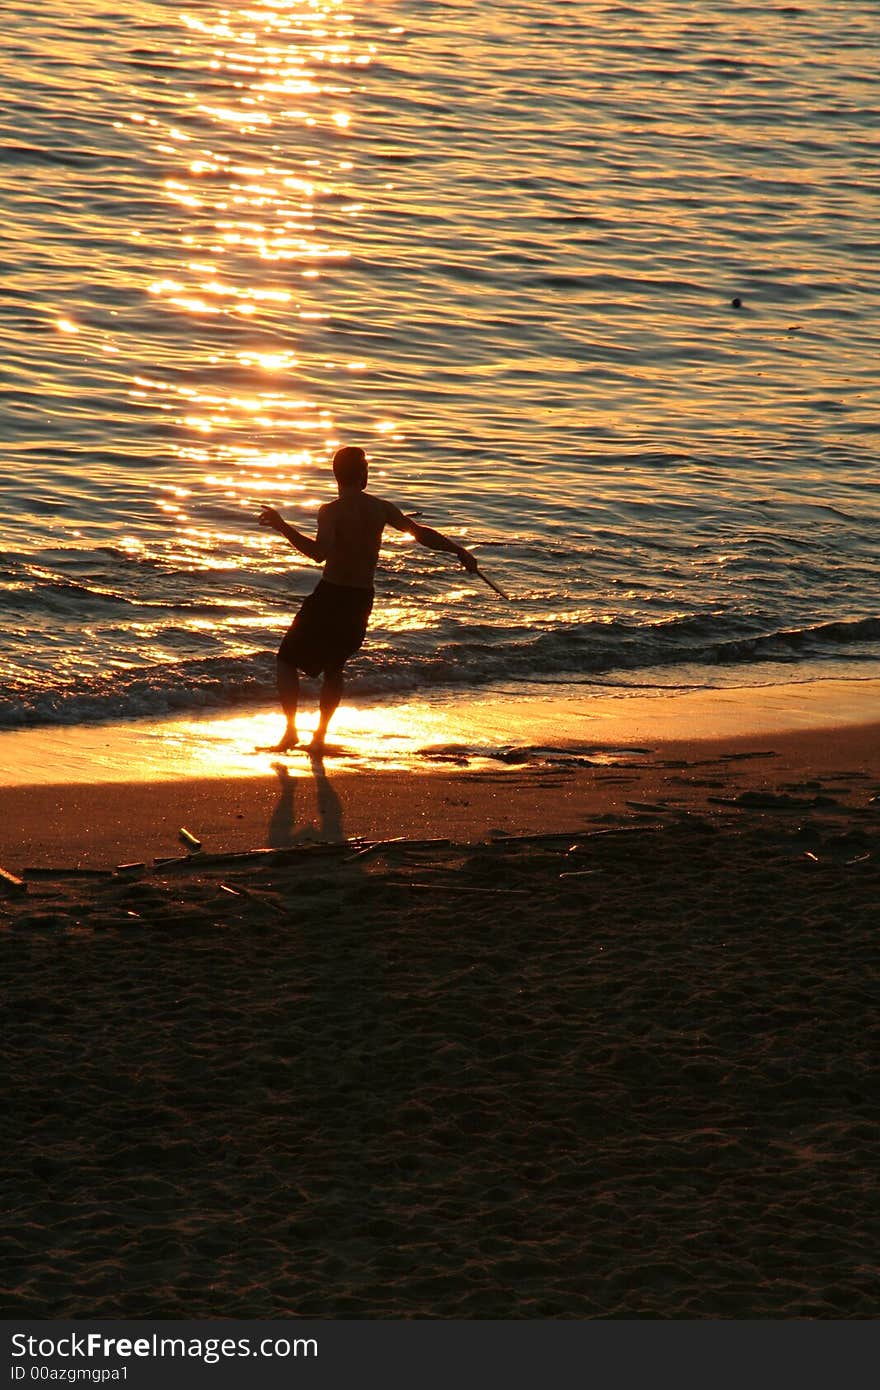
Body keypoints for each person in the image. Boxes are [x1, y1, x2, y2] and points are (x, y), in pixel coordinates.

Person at [257, 445, 478, 752]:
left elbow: (318, 554)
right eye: (366, 470)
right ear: (362, 476)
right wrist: (459, 550)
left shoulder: (330, 512)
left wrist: (282, 526)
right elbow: (419, 533)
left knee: (286, 660)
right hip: (361, 599)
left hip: (331, 595)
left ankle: (291, 731)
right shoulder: (380, 508)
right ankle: (319, 737)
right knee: (334, 667)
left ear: (337, 477)